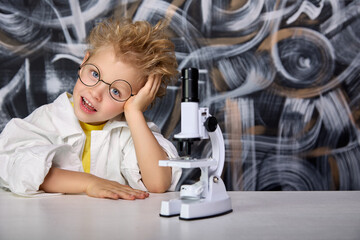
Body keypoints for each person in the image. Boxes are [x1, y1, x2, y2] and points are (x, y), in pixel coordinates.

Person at [0, 18, 181, 200]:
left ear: (139, 99)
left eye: (116, 91)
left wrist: (134, 113)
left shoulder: (134, 132)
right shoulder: (46, 119)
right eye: (95, 74)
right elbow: (19, 169)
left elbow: (158, 184)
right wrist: (89, 183)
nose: (96, 93)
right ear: (84, 61)